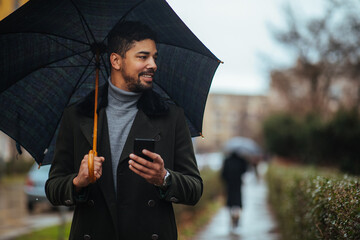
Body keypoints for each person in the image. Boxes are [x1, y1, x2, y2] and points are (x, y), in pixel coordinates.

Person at [45, 21, 203, 240]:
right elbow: (53, 188)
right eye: (143, 56)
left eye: (154, 57)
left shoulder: (171, 117)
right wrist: (77, 182)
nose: (153, 65)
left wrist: (164, 177)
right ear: (116, 61)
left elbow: (194, 189)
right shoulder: (78, 116)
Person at [221, 152, 248, 232]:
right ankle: (237, 215)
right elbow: (244, 170)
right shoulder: (241, 160)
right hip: (238, 184)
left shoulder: (227, 160)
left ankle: (232, 216)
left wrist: (227, 180)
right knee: (237, 201)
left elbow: (223, 174)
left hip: (229, 185)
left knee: (230, 202)